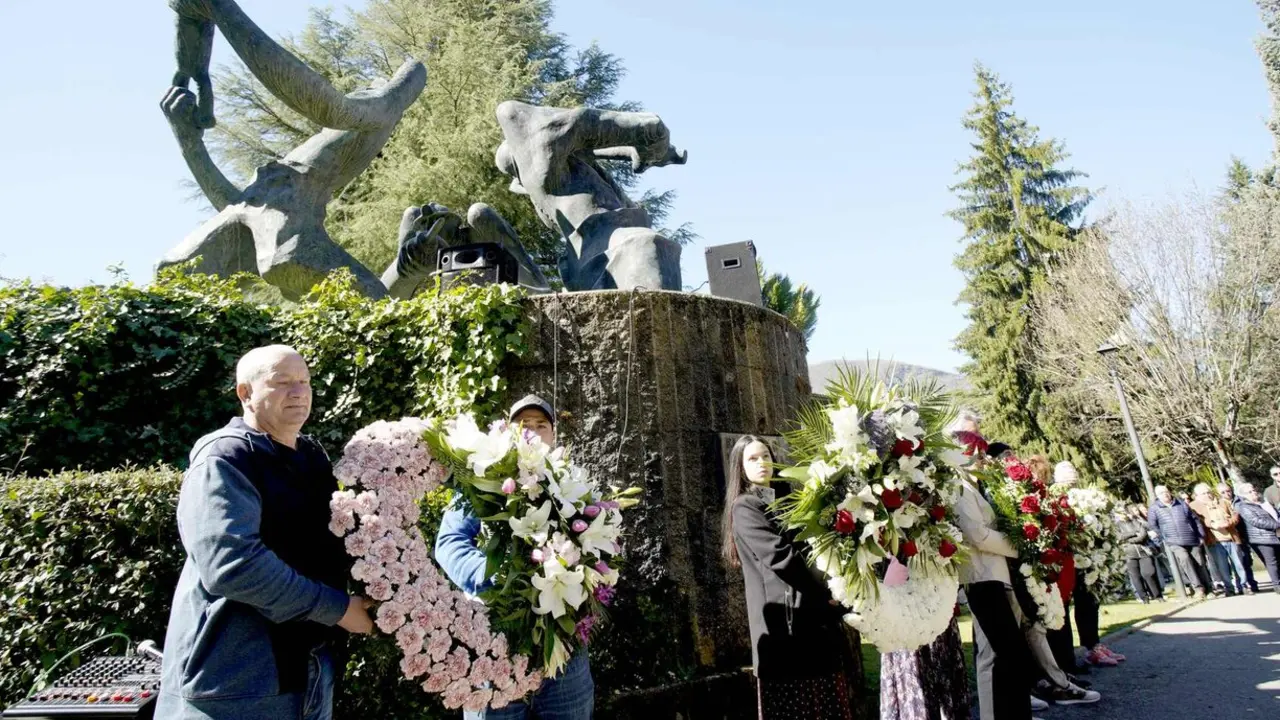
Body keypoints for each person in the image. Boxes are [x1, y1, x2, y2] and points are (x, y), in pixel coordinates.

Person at [155, 345, 374, 720]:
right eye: (282, 382)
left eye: (304, 382)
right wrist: (338, 610)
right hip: (237, 684)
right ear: (245, 393)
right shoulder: (224, 459)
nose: (298, 392)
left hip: (308, 672)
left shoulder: (311, 457)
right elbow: (232, 565)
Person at [435, 395, 594, 720]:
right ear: (510, 432)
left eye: (542, 426)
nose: (534, 433)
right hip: (494, 644)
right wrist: (500, 580)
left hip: (563, 648)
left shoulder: (574, 484)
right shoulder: (483, 482)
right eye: (524, 425)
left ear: (554, 436)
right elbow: (449, 543)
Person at [721, 435, 853, 720]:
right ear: (740, 467)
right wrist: (827, 593)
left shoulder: (789, 501)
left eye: (766, 456)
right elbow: (781, 558)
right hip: (786, 636)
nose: (762, 464)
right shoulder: (745, 507)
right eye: (753, 459)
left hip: (812, 625)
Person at [954, 439, 1035, 720]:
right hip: (981, 578)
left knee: (1010, 655)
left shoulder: (975, 486)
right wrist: (1018, 544)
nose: (982, 459)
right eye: (975, 454)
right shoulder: (959, 488)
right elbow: (977, 535)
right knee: (995, 656)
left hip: (995, 575)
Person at [1148, 485, 1211, 599]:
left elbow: (1195, 519)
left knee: (1200, 562)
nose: (1165, 494)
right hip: (1173, 541)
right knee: (1185, 559)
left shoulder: (1181, 504)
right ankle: (1198, 587)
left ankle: (1209, 588)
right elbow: (1153, 525)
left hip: (1191, 538)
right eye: (1162, 493)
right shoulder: (1154, 508)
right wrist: (1164, 536)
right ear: (1158, 496)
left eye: (1166, 491)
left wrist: (1201, 535)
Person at [1190, 483, 1248, 596]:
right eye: (1203, 493)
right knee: (1223, 567)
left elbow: (1235, 515)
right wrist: (1212, 524)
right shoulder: (1194, 507)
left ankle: (1243, 586)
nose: (1207, 495)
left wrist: (1228, 523)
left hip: (1231, 538)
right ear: (1197, 495)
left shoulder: (1223, 502)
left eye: (1208, 492)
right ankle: (1229, 588)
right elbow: (1198, 521)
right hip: (1214, 541)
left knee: (1239, 564)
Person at [1235, 483, 1280, 593]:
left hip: (1273, 536)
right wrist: (1277, 525)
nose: (1253, 492)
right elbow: (1256, 521)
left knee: (1277, 561)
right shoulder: (1243, 506)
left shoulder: (1261, 503)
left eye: (1253, 490)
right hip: (1261, 538)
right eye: (1249, 492)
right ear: (1243, 495)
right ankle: (1277, 585)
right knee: (1271, 562)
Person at [1117, 505, 1162, 603]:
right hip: (1128, 553)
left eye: (1124, 512)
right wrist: (1133, 533)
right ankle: (1144, 597)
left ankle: (1157, 595)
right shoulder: (1117, 526)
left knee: (1149, 573)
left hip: (1143, 550)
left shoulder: (1136, 522)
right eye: (1120, 513)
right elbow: (1119, 537)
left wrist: (1129, 540)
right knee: (1135, 577)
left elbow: (1142, 535)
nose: (1123, 514)